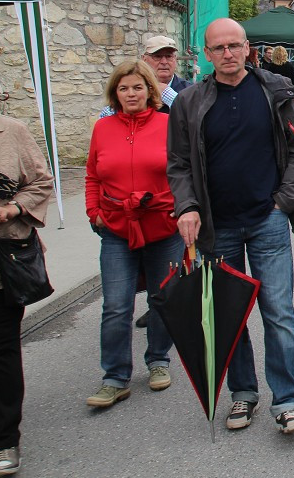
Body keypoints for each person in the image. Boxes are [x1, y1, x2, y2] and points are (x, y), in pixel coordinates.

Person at [167, 17, 294, 435]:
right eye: (219, 48)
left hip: (267, 219)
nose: (228, 54)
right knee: (229, 314)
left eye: (235, 46)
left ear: (249, 48)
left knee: (278, 311)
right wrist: (187, 206)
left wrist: (285, 201)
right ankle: (243, 393)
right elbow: (177, 164)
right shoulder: (189, 101)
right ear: (207, 53)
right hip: (216, 226)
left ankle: (287, 400)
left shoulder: (275, 91)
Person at [85, 60, 184, 409]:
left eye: (137, 87)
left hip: (162, 226)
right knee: (115, 305)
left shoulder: (168, 124)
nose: (131, 94)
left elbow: (180, 171)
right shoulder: (103, 128)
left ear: (149, 91)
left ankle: (158, 360)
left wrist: (180, 208)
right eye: (124, 88)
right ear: (116, 93)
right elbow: (92, 175)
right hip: (116, 228)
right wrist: (94, 212)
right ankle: (114, 377)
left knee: (162, 298)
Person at [0, 112, 54, 477]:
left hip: (2, 264)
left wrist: (11, 208)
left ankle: (3, 439)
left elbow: (41, 183)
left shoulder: (10, 132)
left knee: (1, 349)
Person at [99, 35, 190, 119]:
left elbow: (196, 120)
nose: (164, 62)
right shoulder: (132, 89)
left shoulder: (190, 90)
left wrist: (169, 95)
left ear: (175, 59)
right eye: (157, 56)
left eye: (169, 56)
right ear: (144, 59)